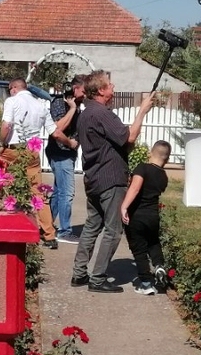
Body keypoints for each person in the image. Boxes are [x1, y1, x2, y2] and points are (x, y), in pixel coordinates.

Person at [69, 71, 160, 292]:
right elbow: (129, 137)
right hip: (110, 179)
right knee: (113, 230)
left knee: (92, 226)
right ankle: (98, 278)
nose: (113, 86)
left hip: (94, 178)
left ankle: (79, 273)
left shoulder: (86, 113)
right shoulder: (102, 113)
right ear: (101, 90)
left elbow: (120, 143)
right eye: (109, 84)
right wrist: (142, 111)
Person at [0, 78, 58, 248]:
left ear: (14, 88)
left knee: (5, 186)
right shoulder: (40, 105)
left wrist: (2, 142)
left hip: (13, 149)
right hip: (32, 150)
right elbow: (53, 130)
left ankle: (9, 227)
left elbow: (6, 125)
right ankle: (49, 235)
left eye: (10, 89)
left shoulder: (12, 101)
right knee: (37, 191)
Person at [121, 140, 172, 293]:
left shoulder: (142, 168)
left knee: (139, 249)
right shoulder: (163, 176)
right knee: (153, 243)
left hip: (137, 215)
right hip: (153, 215)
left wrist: (124, 206)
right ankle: (159, 266)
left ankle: (146, 284)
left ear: (150, 152)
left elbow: (135, 188)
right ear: (167, 159)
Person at [46, 76, 85, 242]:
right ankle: (64, 231)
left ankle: (46, 226)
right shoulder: (58, 104)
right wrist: (72, 108)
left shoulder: (79, 105)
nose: (86, 94)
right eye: (84, 91)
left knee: (58, 193)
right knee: (67, 193)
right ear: (75, 89)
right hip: (59, 153)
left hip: (68, 154)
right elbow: (58, 129)